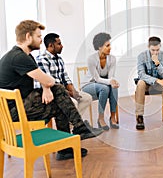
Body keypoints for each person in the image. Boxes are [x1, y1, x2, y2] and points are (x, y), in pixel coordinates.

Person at [0, 20, 103, 161]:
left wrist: (46, 89)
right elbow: (48, 80)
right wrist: (48, 85)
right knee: (59, 90)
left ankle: (66, 148)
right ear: (28, 36)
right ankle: (79, 128)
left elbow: (41, 79)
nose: (41, 40)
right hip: (13, 113)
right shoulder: (19, 58)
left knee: (60, 105)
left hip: (21, 105)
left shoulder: (23, 56)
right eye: (38, 36)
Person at [36, 33, 92, 117]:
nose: (62, 46)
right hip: (52, 93)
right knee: (74, 103)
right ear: (51, 45)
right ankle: (74, 125)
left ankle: (72, 124)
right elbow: (50, 84)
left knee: (87, 98)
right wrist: (69, 94)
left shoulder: (60, 59)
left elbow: (66, 79)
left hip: (63, 91)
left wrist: (74, 92)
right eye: (59, 44)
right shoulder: (42, 59)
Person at [81, 32, 119, 131]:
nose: (110, 47)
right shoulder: (91, 59)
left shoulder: (112, 59)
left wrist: (114, 82)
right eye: (107, 46)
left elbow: (110, 77)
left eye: (110, 45)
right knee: (105, 88)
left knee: (113, 88)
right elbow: (97, 79)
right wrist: (111, 81)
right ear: (99, 47)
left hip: (102, 85)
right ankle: (101, 118)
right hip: (89, 85)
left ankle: (113, 117)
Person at [135, 36, 163, 130]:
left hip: (159, 85)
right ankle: (139, 116)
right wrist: (157, 80)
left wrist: (157, 63)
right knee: (140, 83)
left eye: (157, 50)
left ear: (160, 46)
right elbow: (141, 74)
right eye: (153, 50)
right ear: (148, 47)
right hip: (147, 84)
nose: (155, 52)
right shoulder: (141, 56)